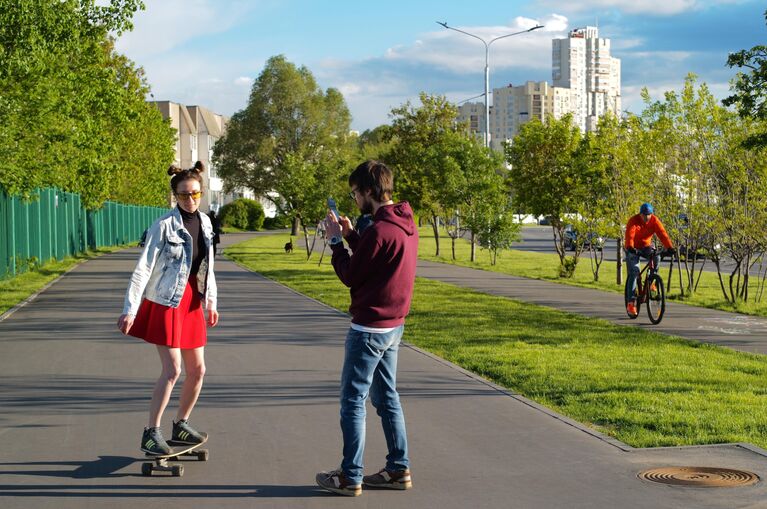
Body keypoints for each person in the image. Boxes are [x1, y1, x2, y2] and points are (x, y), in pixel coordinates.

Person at [315, 160, 418, 497]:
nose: (355, 199)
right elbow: (375, 259)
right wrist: (352, 235)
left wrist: (334, 243)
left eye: (356, 193)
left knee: (353, 402)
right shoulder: (402, 224)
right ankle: (397, 469)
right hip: (393, 327)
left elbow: (351, 275)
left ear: (370, 191)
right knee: (387, 398)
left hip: (368, 330)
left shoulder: (378, 231)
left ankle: (349, 476)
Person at [117, 161, 219, 455]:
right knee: (173, 370)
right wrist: (130, 309)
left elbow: (208, 267)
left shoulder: (207, 223)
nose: (191, 200)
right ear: (175, 195)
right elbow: (143, 269)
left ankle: (181, 424)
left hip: (192, 302)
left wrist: (211, 301)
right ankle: (151, 432)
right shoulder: (162, 226)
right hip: (165, 302)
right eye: (185, 195)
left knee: (198, 370)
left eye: (196, 194)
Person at [624, 202, 674, 317]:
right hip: (633, 248)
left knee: (656, 256)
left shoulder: (655, 221)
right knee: (634, 272)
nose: (646, 218)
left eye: (649, 215)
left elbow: (662, 234)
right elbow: (630, 236)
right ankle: (631, 303)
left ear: (652, 214)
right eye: (644, 215)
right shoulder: (633, 220)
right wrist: (630, 247)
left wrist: (670, 248)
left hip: (646, 246)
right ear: (640, 214)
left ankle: (652, 281)